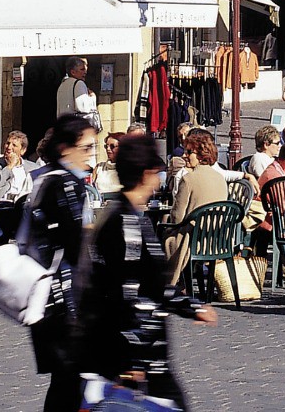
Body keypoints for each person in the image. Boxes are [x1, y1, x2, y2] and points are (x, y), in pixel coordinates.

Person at [74, 133, 216, 409]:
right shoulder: (127, 224)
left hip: (138, 350)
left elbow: (149, 284)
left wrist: (191, 306)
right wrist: (131, 359)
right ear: (147, 174)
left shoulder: (123, 216)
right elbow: (128, 293)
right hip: (137, 351)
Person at [30, 113, 98, 412]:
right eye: (86, 148)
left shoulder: (44, 179)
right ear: (64, 149)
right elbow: (74, 245)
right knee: (70, 382)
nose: (90, 155)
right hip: (64, 300)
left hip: (49, 297)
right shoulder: (67, 185)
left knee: (65, 382)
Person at [163, 129, 228, 285]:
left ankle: (171, 283)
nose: (185, 155)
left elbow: (177, 217)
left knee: (165, 236)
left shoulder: (188, 179)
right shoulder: (220, 178)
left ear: (200, 154)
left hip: (194, 240)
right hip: (217, 238)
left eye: (189, 152)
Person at [55, 57, 99, 129]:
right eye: (82, 69)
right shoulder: (79, 83)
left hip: (63, 125)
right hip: (76, 127)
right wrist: (92, 98)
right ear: (73, 72)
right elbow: (83, 108)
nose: (85, 72)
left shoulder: (62, 85)